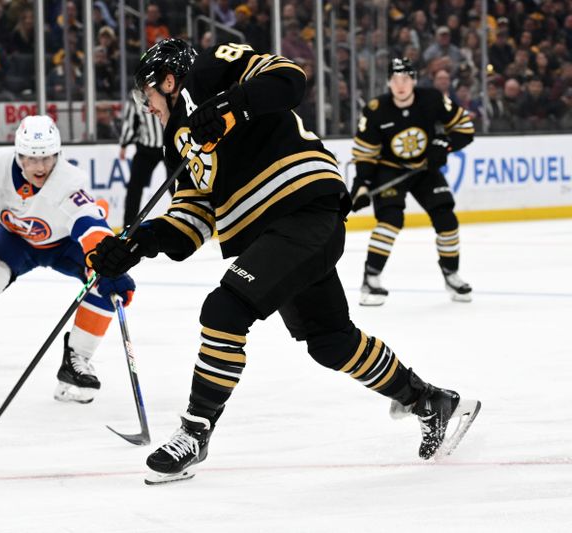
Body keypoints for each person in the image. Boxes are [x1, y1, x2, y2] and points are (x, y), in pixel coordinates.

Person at [87, 39, 481, 484]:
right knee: (330, 341)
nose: (147, 105)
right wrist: (137, 243)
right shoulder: (175, 142)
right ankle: (429, 401)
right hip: (271, 237)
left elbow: (289, 79)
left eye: (148, 93)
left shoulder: (215, 67)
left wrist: (231, 104)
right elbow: (192, 220)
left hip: (304, 208)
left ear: (170, 79)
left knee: (225, 309)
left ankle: (195, 432)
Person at [0, 115, 135, 405]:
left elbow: (90, 225)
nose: (40, 166)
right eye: (32, 158)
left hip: (63, 245)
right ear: (18, 154)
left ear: (59, 154)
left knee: (105, 282)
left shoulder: (70, 182)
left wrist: (109, 258)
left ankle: (76, 361)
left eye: (47, 157)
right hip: (13, 240)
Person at [350, 57, 475, 306]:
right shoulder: (376, 109)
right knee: (390, 220)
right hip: (389, 169)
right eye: (395, 79)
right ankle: (371, 278)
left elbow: (464, 128)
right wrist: (362, 183)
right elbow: (365, 152)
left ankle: (451, 273)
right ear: (388, 82)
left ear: (414, 81)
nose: (401, 84)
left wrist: (444, 145)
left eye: (406, 78)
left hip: (425, 168)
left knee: (446, 217)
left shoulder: (433, 99)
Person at [117, 95, 170, 229]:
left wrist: (124, 144)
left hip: (169, 145)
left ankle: (188, 216)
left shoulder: (163, 92)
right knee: (135, 187)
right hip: (147, 148)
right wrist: (124, 144)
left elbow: (129, 125)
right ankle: (128, 225)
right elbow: (130, 123)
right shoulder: (136, 96)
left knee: (176, 184)